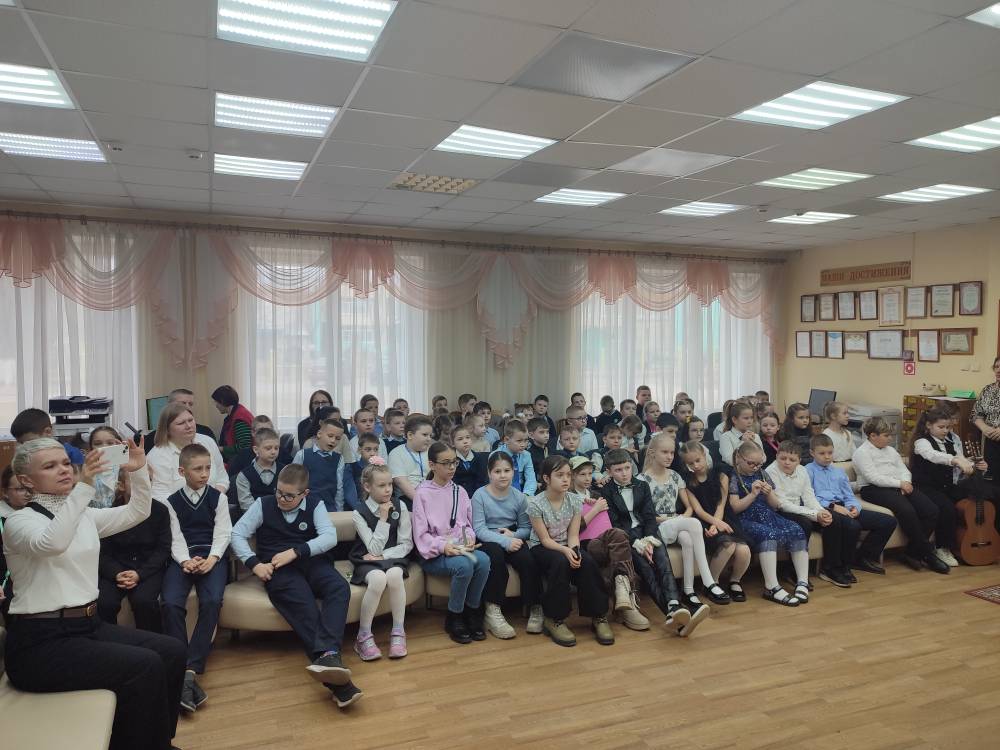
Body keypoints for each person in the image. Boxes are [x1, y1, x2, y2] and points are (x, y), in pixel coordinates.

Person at [3, 437, 186, 750]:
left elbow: (138, 512)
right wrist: (84, 486)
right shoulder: (19, 522)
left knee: (172, 652)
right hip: (39, 643)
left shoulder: (84, 515)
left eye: (65, 463)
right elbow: (52, 542)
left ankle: (157, 742)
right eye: (50, 466)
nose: (63, 469)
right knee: (145, 665)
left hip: (86, 627)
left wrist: (137, 470)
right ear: (26, 480)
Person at [232, 464, 362, 708]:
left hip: (312, 561)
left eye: (289, 496)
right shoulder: (263, 504)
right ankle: (338, 677)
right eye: (279, 492)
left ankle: (328, 657)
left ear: (305, 493)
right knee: (304, 604)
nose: (281, 499)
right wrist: (254, 564)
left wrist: (296, 551)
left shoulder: (315, 505)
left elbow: (329, 537)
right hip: (279, 570)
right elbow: (237, 534)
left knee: (339, 588)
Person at [600, 449, 704, 636]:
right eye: (618, 470)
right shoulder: (606, 492)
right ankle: (673, 612)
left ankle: (673, 605)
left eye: (627, 468)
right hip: (627, 538)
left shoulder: (642, 485)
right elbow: (614, 524)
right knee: (647, 571)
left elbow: (649, 517)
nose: (624, 473)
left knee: (663, 561)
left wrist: (648, 539)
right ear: (609, 471)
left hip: (647, 532)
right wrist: (638, 543)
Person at [161, 442, 231, 713]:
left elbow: (223, 532)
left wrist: (212, 559)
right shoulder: (171, 501)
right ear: (182, 471)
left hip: (213, 558)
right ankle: (183, 665)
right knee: (170, 602)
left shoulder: (218, 498)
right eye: (197, 469)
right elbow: (175, 537)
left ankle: (190, 668)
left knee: (212, 601)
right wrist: (185, 561)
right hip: (183, 559)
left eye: (207, 468)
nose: (204, 474)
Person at [528, 455, 613, 647]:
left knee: (587, 561)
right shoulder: (535, 504)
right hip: (543, 547)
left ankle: (599, 616)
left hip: (566, 543)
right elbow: (545, 540)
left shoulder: (574, 500)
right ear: (546, 478)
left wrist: (574, 551)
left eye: (568, 475)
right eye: (560, 475)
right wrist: (566, 552)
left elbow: (574, 535)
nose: (566, 479)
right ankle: (554, 619)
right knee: (560, 561)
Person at [638, 433, 730, 607]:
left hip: (676, 522)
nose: (669, 456)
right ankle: (708, 581)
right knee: (694, 523)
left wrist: (681, 518)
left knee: (687, 539)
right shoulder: (641, 480)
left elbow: (689, 508)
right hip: (657, 528)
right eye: (665, 452)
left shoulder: (675, 476)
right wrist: (673, 520)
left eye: (672, 453)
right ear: (652, 453)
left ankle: (688, 591)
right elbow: (646, 516)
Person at [413, 441, 490, 644]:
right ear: (432, 465)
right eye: (446, 463)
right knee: (464, 565)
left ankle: (472, 611)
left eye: (454, 462)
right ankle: (454, 615)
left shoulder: (460, 491)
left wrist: (467, 541)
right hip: (434, 553)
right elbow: (421, 534)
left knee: (483, 560)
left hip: (458, 547)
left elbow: (465, 525)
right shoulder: (422, 493)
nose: (451, 467)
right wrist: (444, 547)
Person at [853, 417, 950, 574]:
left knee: (931, 510)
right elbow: (873, 477)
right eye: (886, 435)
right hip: (873, 489)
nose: (890, 439)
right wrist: (899, 484)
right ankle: (928, 554)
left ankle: (913, 552)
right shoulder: (861, 453)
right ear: (872, 436)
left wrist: (905, 482)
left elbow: (903, 470)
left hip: (899, 485)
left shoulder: (891, 451)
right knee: (907, 510)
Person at [570, 456, 648, 631]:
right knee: (618, 539)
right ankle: (626, 601)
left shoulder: (597, 495)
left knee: (618, 537)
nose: (587, 478)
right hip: (584, 544)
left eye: (590, 473)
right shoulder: (568, 497)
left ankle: (623, 593)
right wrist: (595, 510)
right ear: (573, 475)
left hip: (605, 540)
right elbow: (572, 530)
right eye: (582, 474)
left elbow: (608, 523)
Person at [471, 451, 543, 639]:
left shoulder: (519, 497)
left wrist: (513, 535)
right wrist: (505, 541)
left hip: (511, 534)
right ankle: (492, 610)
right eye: (497, 471)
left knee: (528, 559)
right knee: (495, 557)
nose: (503, 475)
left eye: (507, 471)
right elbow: (479, 529)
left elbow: (526, 528)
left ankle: (535, 606)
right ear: (489, 473)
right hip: (488, 538)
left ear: (513, 472)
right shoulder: (479, 495)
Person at [766, 440, 855, 589]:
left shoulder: (802, 470)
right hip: (779, 511)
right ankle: (793, 571)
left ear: (799, 460)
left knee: (834, 520)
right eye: (783, 458)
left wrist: (821, 511)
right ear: (776, 456)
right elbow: (782, 504)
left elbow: (809, 496)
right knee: (804, 524)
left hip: (798, 508)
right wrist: (814, 514)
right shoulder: (771, 471)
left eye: (792, 460)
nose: (787, 462)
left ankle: (829, 568)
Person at [728, 442, 808, 606]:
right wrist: (752, 494)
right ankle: (771, 586)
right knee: (768, 534)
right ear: (739, 458)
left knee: (796, 529)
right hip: (745, 519)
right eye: (751, 463)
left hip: (768, 515)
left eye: (759, 464)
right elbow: (734, 508)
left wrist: (769, 493)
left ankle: (802, 581)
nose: (755, 467)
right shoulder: (733, 476)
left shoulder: (762, 473)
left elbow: (775, 505)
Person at [807, 434, 897, 577]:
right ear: (812, 453)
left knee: (888, 521)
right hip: (823, 509)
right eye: (822, 453)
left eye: (830, 452)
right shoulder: (807, 471)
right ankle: (842, 566)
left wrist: (855, 507)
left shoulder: (839, 472)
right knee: (853, 526)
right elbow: (808, 497)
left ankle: (861, 558)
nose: (827, 457)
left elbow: (849, 495)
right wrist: (832, 506)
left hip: (844, 508)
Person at [349, 460, 411, 661]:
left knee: (394, 575)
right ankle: (363, 635)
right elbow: (373, 549)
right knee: (377, 579)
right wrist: (383, 519)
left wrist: (385, 556)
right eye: (382, 485)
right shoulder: (359, 512)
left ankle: (398, 631)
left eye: (390, 484)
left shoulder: (400, 506)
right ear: (367, 487)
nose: (388, 490)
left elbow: (406, 544)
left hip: (392, 556)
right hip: (366, 558)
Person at [97, 467, 171, 631]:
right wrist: (116, 573)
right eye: (136, 479)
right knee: (104, 602)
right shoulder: (110, 512)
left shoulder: (160, 510)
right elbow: (102, 552)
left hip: (148, 569)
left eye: (148, 480)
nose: (144, 484)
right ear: (121, 485)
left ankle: (152, 644)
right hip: (117, 569)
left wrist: (140, 574)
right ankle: (110, 644)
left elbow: (163, 549)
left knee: (144, 601)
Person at [679, 441, 751, 602]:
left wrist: (716, 524)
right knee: (728, 545)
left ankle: (735, 581)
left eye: (698, 460)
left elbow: (721, 503)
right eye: (690, 463)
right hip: (703, 520)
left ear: (704, 455)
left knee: (744, 551)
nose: (696, 465)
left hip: (723, 517)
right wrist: (712, 525)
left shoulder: (720, 473)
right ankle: (711, 583)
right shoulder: (688, 481)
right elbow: (698, 510)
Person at [909, 406, 974, 568]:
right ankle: (942, 548)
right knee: (946, 508)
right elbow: (933, 456)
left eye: (948, 427)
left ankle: (969, 540)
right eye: (941, 427)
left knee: (978, 495)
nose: (946, 430)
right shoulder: (922, 442)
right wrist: (955, 460)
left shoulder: (951, 441)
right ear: (929, 425)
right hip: (925, 487)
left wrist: (973, 464)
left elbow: (961, 459)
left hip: (946, 485)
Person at [147, 402, 230, 503]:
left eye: (190, 420)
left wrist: (215, 499)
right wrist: (195, 507)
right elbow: (159, 496)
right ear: (167, 429)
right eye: (181, 423)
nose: (189, 426)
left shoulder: (207, 441)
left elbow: (222, 477)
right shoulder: (157, 456)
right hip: (178, 511)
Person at [292, 418, 358, 512]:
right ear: (319, 434)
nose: (333, 441)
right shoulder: (302, 455)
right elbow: (293, 482)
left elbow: (339, 488)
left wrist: (339, 511)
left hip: (329, 508)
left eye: (337, 438)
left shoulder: (339, 459)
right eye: (330, 436)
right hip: (305, 508)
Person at [144, 388, 217, 453]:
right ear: (169, 405)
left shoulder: (206, 432)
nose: (187, 407)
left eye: (190, 404)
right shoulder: (153, 438)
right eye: (182, 403)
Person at [235, 427, 286, 514]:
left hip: (280, 516)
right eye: (268, 448)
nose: (273, 452)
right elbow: (247, 507)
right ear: (256, 450)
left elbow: (288, 499)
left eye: (276, 448)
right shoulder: (244, 475)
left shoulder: (284, 471)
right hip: (254, 518)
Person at [387, 414, 435, 508]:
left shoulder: (433, 451)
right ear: (410, 435)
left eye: (430, 435)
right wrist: (424, 503)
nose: (429, 439)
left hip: (433, 495)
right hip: (408, 499)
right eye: (425, 435)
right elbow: (401, 483)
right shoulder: (396, 453)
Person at [10, 407, 85, 465]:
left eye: (30, 442)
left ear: (48, 432)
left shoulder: (72, 454)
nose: (25, 447)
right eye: (21, 443)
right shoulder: (25, 457)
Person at [1, 466, 31, 607]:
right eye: (20, 489)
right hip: (8, 587)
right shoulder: (3, 517)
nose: (28, 493)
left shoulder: (38, 514)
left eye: (30, 488)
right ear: (5, 492)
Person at [211, 385, 254, 466]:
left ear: (223, 401)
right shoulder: (237, 413)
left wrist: (221, 449)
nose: (216, 405)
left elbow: (244, 447)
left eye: (216, 402)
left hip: (242, 464)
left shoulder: (240, 419)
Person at [491, 419, 536, 495]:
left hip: (522, 492)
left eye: (526, 440)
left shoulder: (526, 455)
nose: (523, 445)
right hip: (501, 492)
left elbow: (531, 479)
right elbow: (493, 481)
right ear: (506, 440)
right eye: (519, 441)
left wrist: (526, 494)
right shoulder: (495, 456)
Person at [973, 357, 1000, 474]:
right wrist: (984, 428)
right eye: (996, 367)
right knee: (989, 475)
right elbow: (975, 414)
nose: (998, 370)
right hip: (989, 439)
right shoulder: (988, 390)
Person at [89, 426, 127, 508]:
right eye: (97, 444)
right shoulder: (87, 472)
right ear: (91, 447)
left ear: (118, 444)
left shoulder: (126, 469)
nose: (104, 446)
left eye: (110, 443)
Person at [720, 400, 763, 467]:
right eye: (746, 418)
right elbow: (731, 461)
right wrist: (743, 442)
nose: (750, 421)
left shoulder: (755, 436)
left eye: (751, 418)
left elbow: (763, 458)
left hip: (756, 469)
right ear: (734, 420)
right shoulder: (726, 437)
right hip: (735, 471)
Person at [452, 423, 488, 498]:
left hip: (476, 496)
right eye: (460, 439)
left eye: (468, 437)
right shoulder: (451, 459)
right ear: (453, 443)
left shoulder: (479, 458)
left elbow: (482, 480)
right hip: (456, 496)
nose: (465, 441)